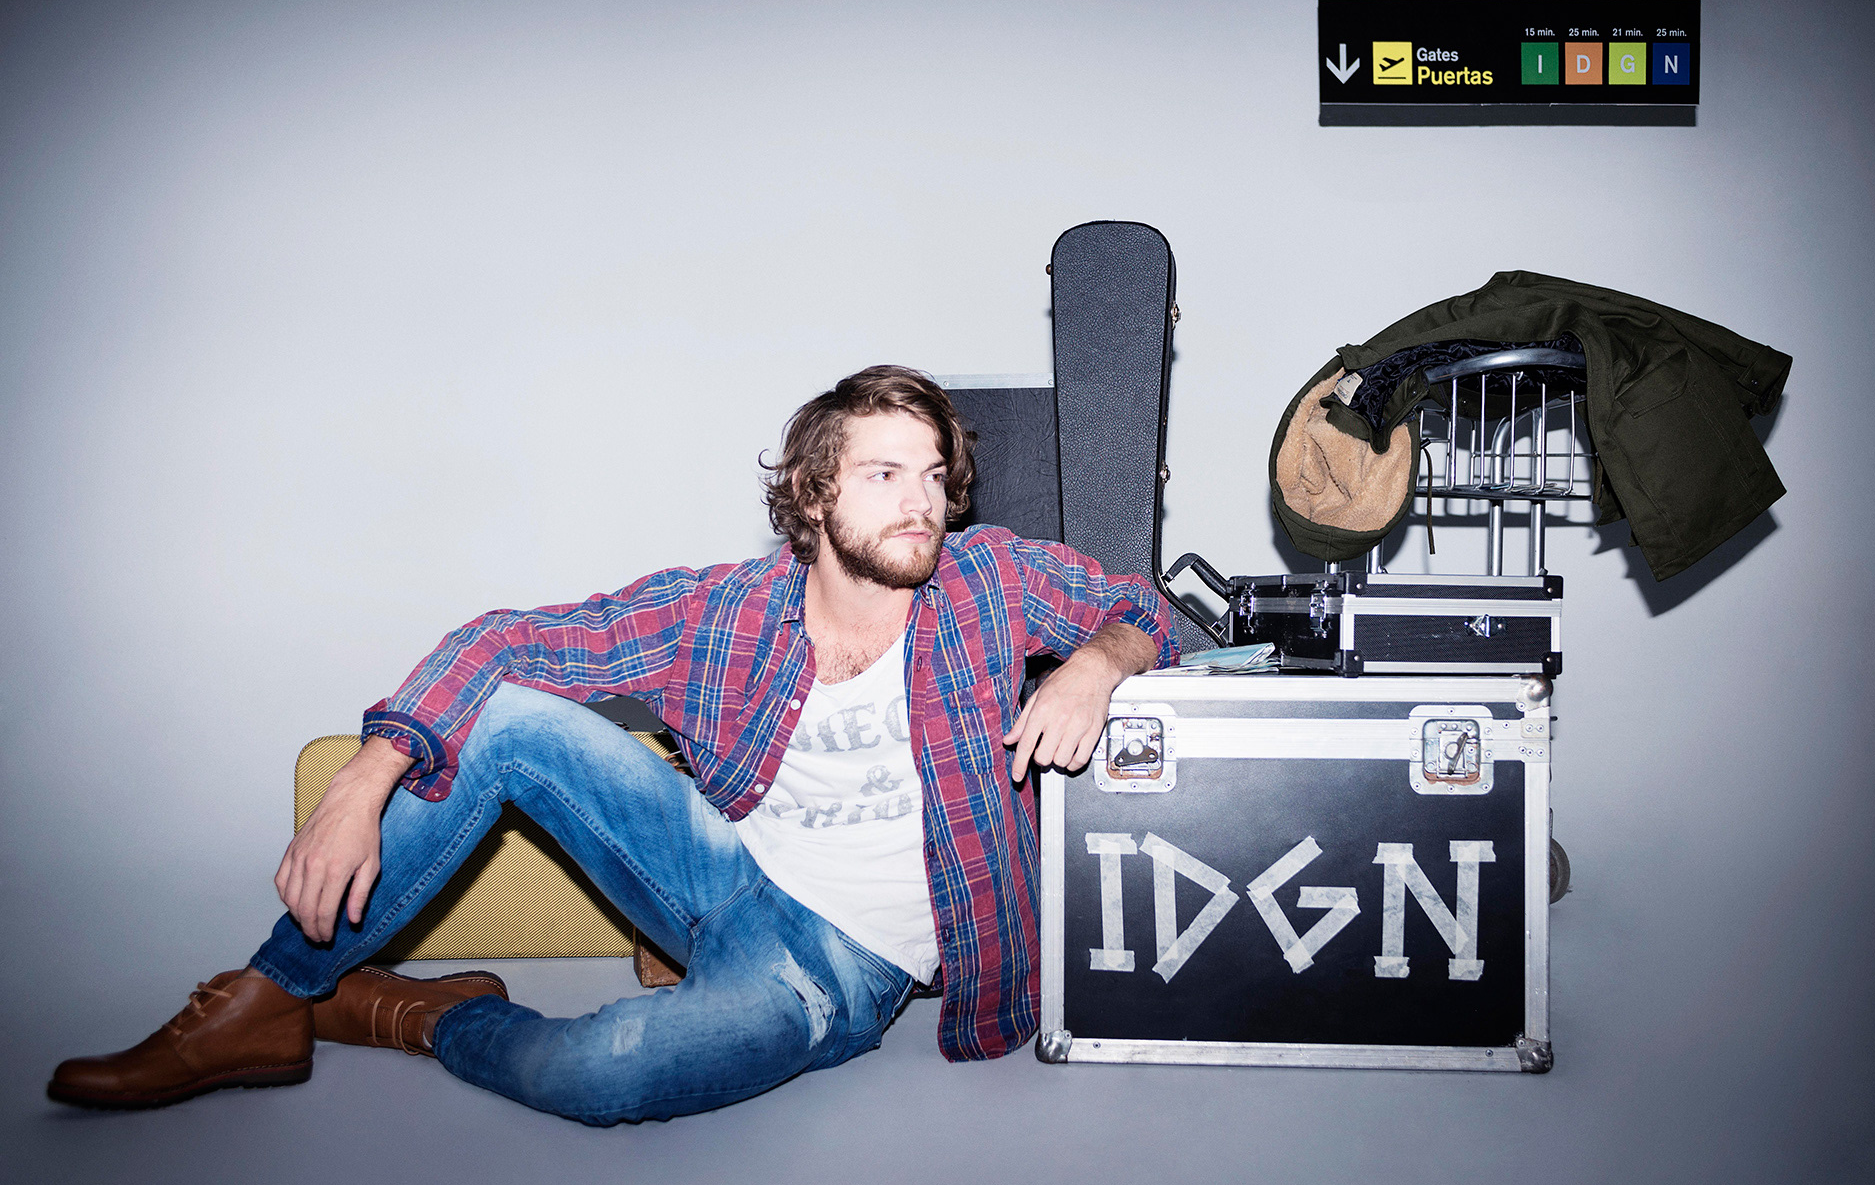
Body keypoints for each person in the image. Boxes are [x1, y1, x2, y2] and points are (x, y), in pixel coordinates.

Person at [48, 364, 1177, 1124]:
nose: (920, 501)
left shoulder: (989, 581)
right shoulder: (724, 612)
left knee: (597, 1077)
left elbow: (1150, 607)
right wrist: (363, 775)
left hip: (839, 964)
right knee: (505, 715)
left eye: (932, 475)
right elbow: (504, 641)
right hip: (718, 873)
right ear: (814, 494)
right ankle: (264, 998)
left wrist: (1094, 662)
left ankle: (424, 1012)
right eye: (884, 474)